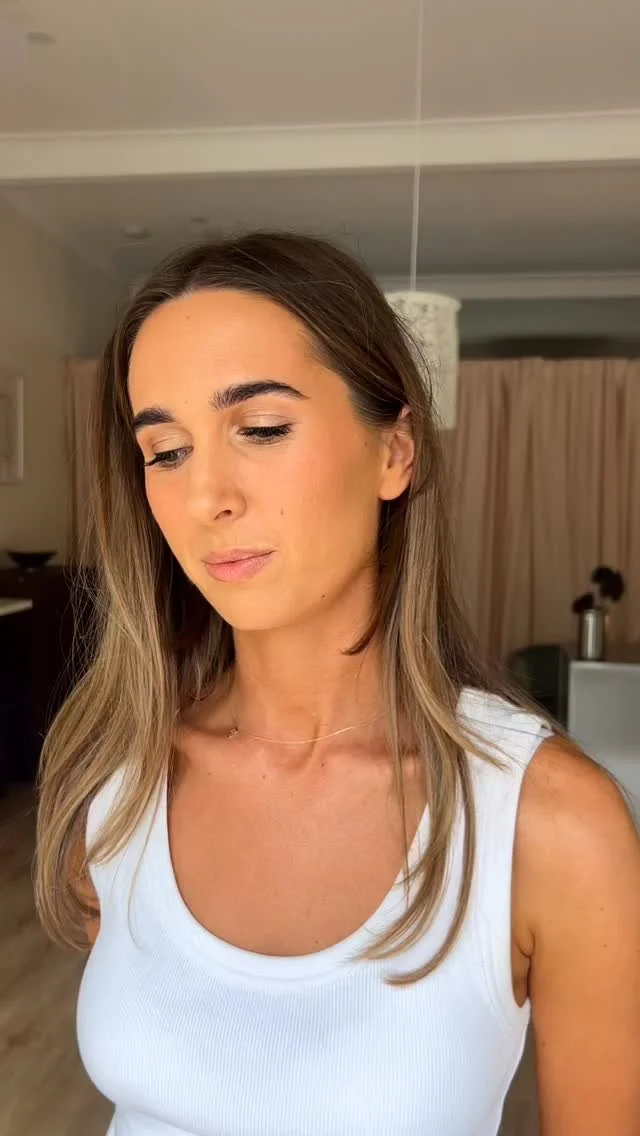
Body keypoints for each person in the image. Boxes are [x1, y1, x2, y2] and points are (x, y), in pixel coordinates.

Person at [36, 232, 639, 1135]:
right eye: (165, 450)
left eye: (261, 429)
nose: (206, 497)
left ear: (395, 453)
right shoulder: (118, 781)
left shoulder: (548, 823)